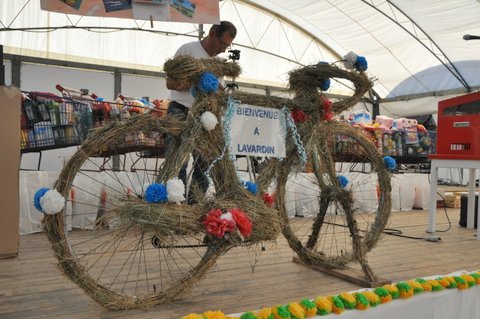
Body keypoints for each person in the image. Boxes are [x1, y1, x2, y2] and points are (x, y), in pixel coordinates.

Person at [165, 21, 237, 204]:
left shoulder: (218, 63)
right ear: (212, 33)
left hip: (206, 117)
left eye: (227, 46)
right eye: (222, 43)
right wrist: (196, 83)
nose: (223, 49)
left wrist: (221, 92)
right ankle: (176, 210)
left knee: (204, 163)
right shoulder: (188, 50)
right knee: (177, 162)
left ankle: (194, 208)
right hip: (180, 111)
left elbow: (216, 89)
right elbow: (170, 83)